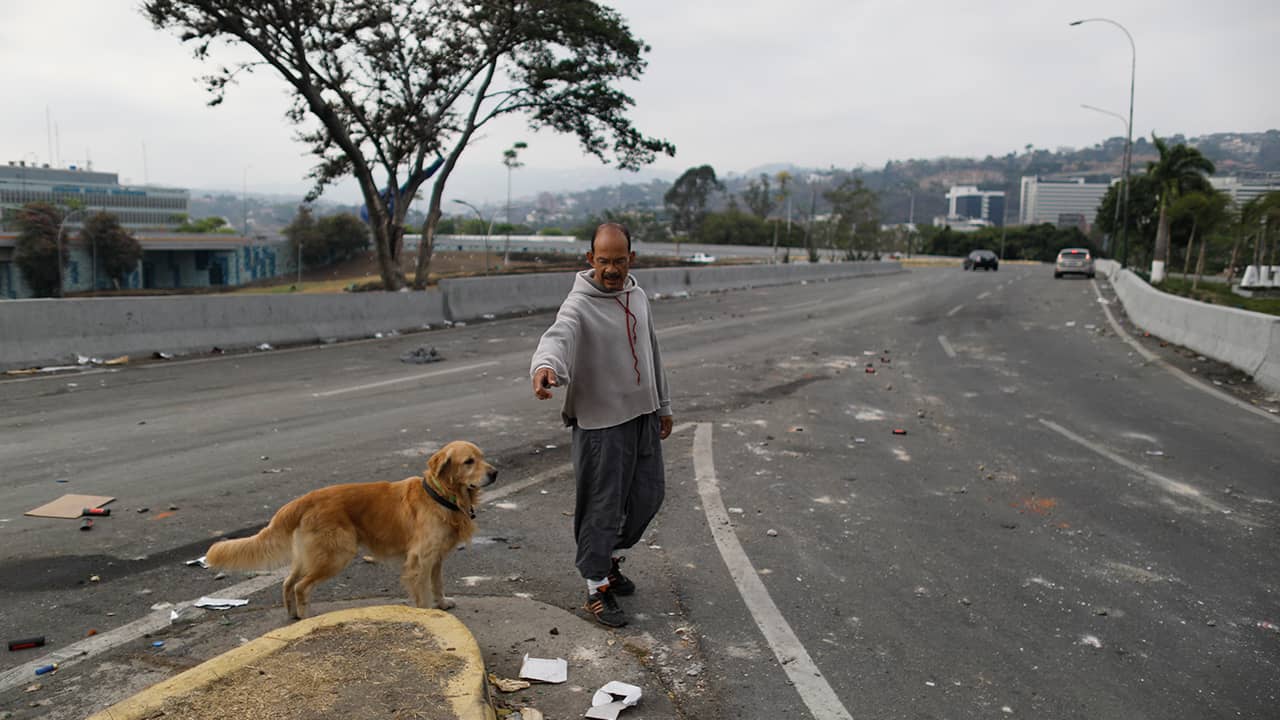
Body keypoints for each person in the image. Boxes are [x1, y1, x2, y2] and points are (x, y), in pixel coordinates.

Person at [530, 222, 673, 627]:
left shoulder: (637, 295)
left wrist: (663, 406)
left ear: (632, 258)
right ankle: (596, 587)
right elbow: (557, 337)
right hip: (602, 426)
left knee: (648, 496)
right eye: (604, 261)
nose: (611, 269)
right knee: (602, 506)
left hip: (642, 416)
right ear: (590, 259)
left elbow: (652, 352)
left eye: (619, 260)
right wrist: (545, 366)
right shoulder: (579, 304)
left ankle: (608, 559)